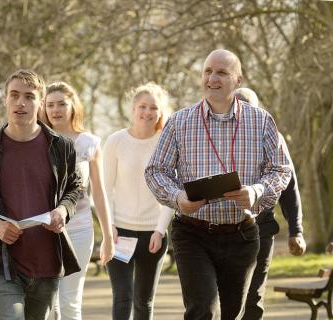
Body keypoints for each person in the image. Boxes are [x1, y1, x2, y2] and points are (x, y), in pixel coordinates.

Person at [145, 49, 292, 319]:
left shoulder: (261, 121)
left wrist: (257, 191)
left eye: (222, 72)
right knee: (202, 310)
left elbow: (281, 170)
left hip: (242, 234)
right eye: (208, 71)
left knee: (231, 313)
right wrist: (178, 198)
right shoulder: (179, 122)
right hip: (193, 233)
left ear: (238, 80)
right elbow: (155, 171)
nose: (213, 78)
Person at [0, 70, 82, 320]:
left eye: (29, 96)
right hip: (2, 262)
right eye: (14, 95)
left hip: (47, 261)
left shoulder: (62, 147)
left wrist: (62, 211)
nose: (21, 102)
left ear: (40, 103)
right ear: (5, 100)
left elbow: (74, 188)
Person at [43, 81, 115, 320]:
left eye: (61, 104)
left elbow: (99, 193)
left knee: (69, 301)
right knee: (48, 302)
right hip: (44, 229)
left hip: (80, 229)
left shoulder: (89, 143)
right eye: (50, 104)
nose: (56, 110)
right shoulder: (38, 141)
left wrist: (107, 237)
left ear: (73, 106)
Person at [103, 82, 174, 320]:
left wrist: (160, 231)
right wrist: (108, 226)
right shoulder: (115, 141)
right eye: (142, 106)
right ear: (133, 109)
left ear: (161, 111)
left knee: (144, 302)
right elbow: (105, 189)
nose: (147, 112)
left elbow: (170, 191)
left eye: (153, 107)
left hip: (152, 235)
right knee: (122, 298)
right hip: (119, 234)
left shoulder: (166, 142)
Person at [234, 87, 306, 320]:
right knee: (227, 297)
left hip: (260, 230)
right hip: (221, 232)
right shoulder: (215, 137)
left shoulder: (273, 138)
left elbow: (289, 187)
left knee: (253, 297)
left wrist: (296, 231)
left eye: (248, 108)